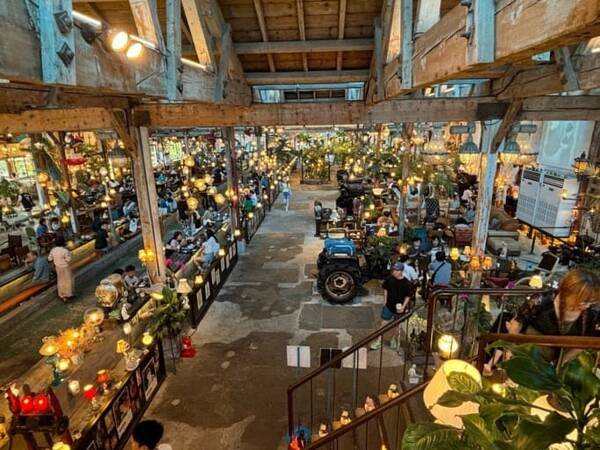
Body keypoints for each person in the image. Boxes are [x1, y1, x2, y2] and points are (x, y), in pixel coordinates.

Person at [370, 263, 414, 350]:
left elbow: (408, 296)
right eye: (394, 270)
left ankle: (393, 339)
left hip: (399, 308)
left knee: (397, 325)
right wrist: (385, 300)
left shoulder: (407, 283)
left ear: (401, 271)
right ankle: (378, 341)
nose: (394, 272)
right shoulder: (389, 279)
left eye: (397, 270)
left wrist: (403, 307)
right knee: (383, 323)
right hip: (389, 305)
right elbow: (385, 289)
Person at [48, 236, 74, 301]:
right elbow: (68, 259)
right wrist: (71, 254)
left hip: (58, 268)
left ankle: (62, 295)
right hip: (65, 267)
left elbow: (49, 259)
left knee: (60, 281)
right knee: (68, 281)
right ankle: (69, 294)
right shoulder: (65, 250)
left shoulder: (53, 250)